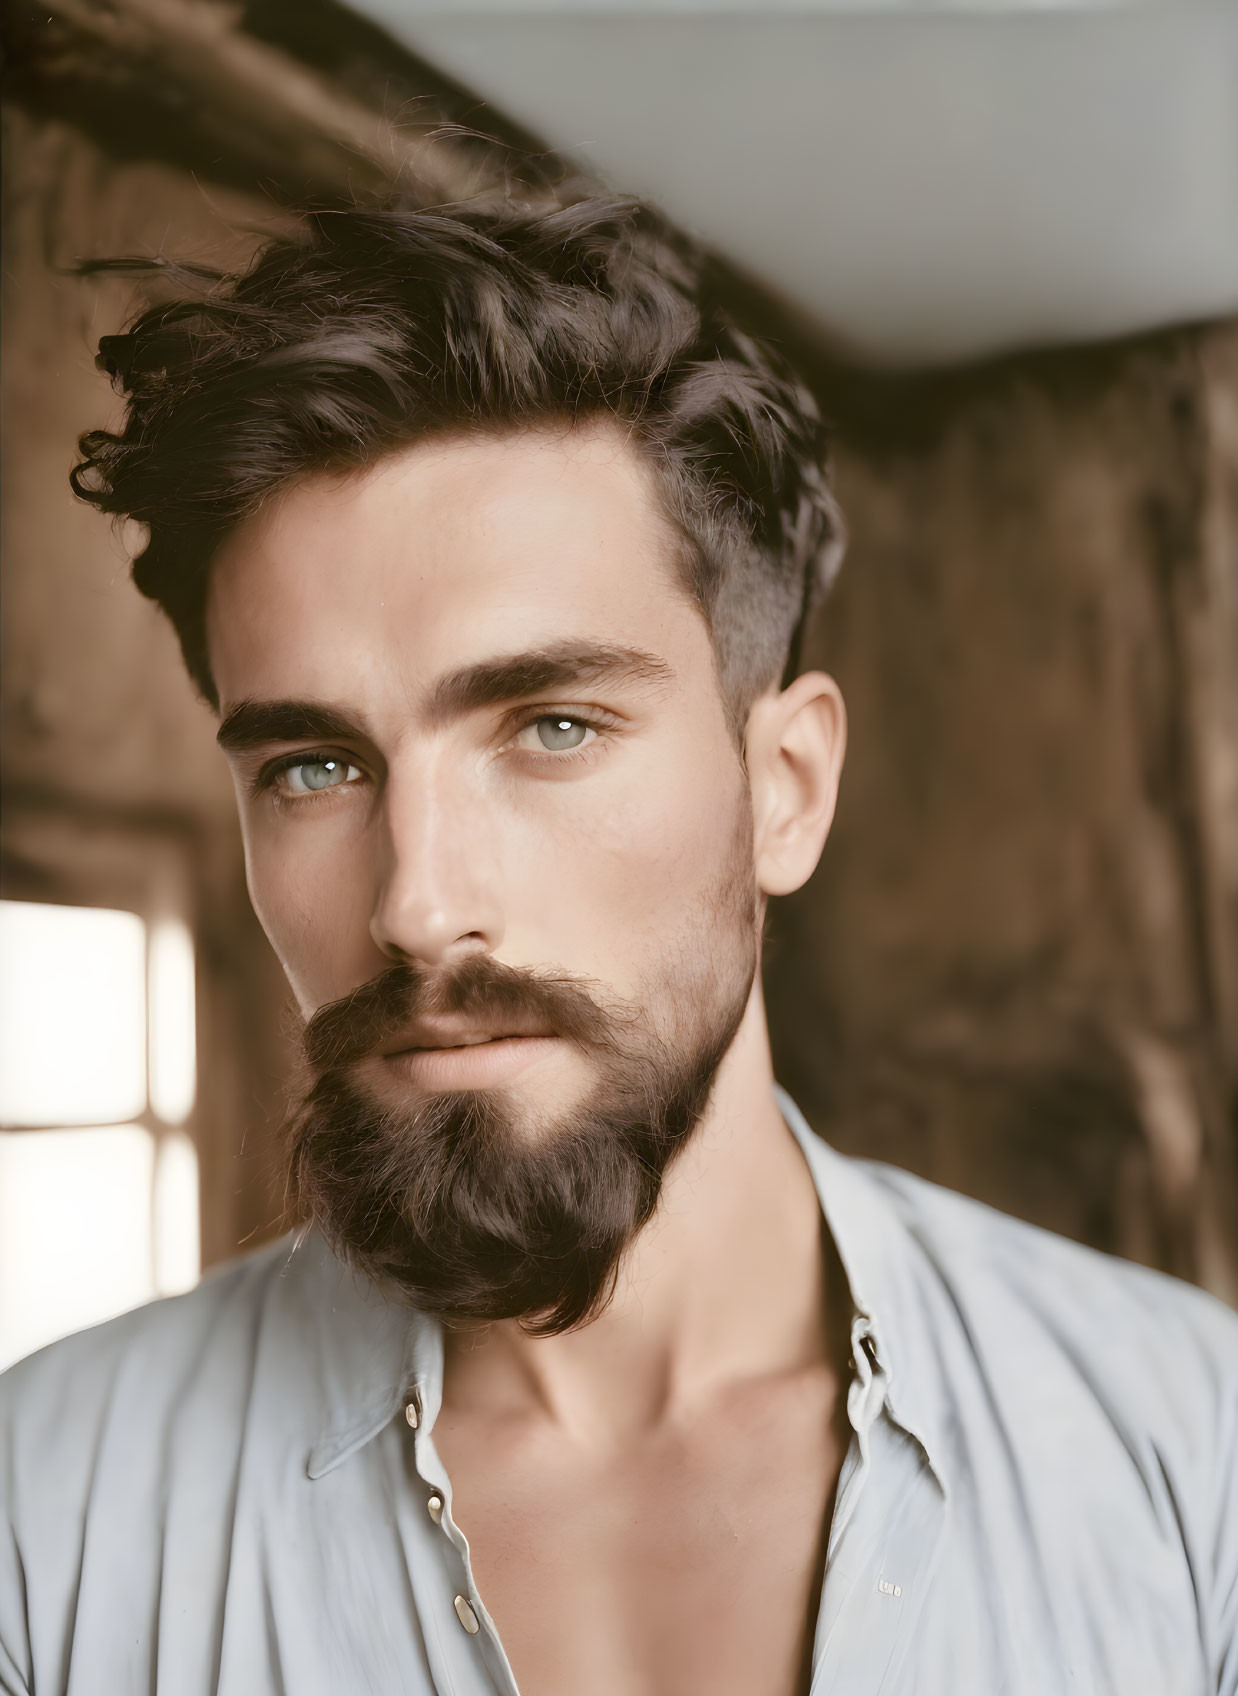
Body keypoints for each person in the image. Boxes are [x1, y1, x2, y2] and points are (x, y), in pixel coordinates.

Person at [1, 193, 1235, 1696]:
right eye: (312, 766)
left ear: (782, 792)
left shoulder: (1191, 1455)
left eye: (553, 727)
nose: (412, 903)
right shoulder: (44, 1514)